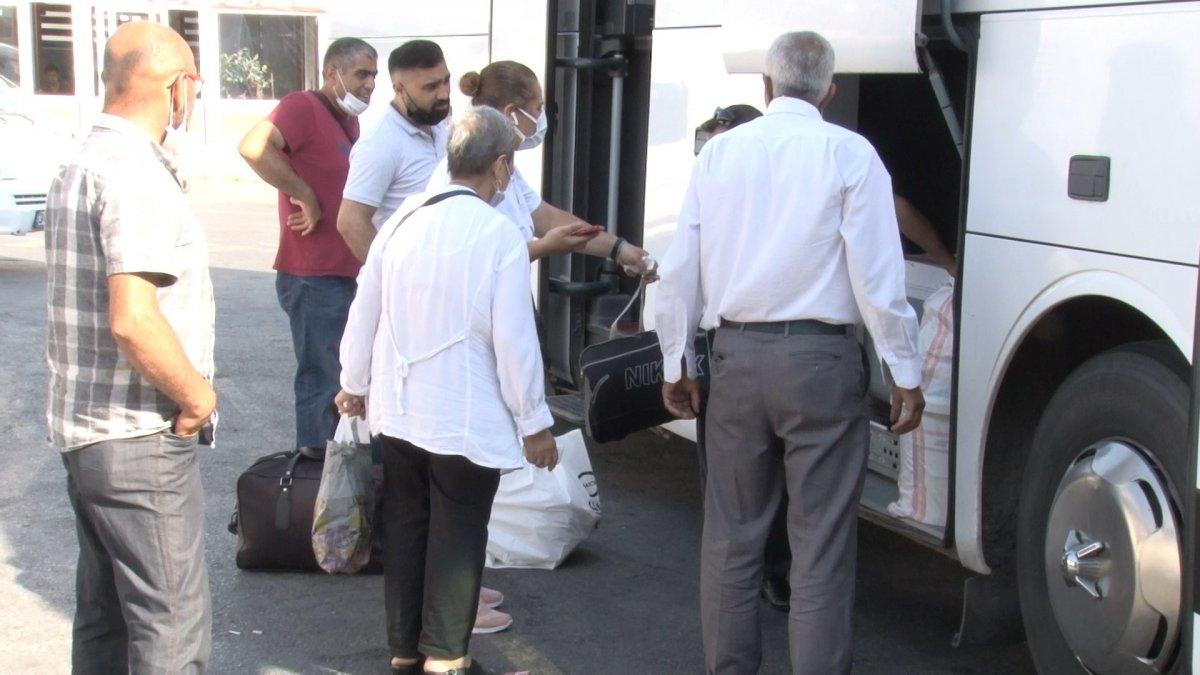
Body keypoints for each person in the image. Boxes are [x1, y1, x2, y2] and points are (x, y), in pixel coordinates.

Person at [656, 31, 925, 675]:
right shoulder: (851, 155)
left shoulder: (719, 156)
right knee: (821, 546)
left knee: (732, 539)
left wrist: (675, 362)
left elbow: (677, 271)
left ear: (766, 88)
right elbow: (878, 279)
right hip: (823, 365)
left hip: (735, 361)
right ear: (830, 92)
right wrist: (905, 371)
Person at [335, 105, 557, 675]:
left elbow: (365, 309)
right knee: (458, 531)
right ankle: (447, 660)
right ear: (501, 167)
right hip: (463, 414)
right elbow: (515, 342)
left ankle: (405, 654)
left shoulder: (405, 218)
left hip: (398, 408)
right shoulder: (499, 234)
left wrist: (353, 383)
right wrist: (534, 423)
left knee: (407, 524)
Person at [44, 22, 214, 672]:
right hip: (139, 437)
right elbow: (133, 319)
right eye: (193, 85)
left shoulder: (82, 161)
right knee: (171, 630)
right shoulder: (135, 174)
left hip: (89, 436)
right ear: (177, 87)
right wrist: (198, 395)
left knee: (107, 622)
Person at [238, 38, 377, 457]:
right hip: (314, 275)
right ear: (333, 73)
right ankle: (316, 487)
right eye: (362, 75)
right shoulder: (302, 106)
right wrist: (304, 194)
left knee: (348, 384)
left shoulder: (346, 122)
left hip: (346, 270)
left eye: (374, 76)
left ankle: (342, 486)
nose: (370, 85)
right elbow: (253, 146)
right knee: (323, 384)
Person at [428, 61, 656, 272]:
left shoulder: (509, 172)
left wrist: (619, 249)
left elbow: (548, 219)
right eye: (538, 108)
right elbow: (478, 260)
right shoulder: (460, 174)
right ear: (512, 114)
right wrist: (544, 247)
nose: (541, 118)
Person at [338, 40, 452, 261]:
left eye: (446, 81)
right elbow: (351, 222)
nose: (443, 94)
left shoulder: (440, 129)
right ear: (399, 89)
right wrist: (391, 277)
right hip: (411, 286)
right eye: (430, 87)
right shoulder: (380, 142)